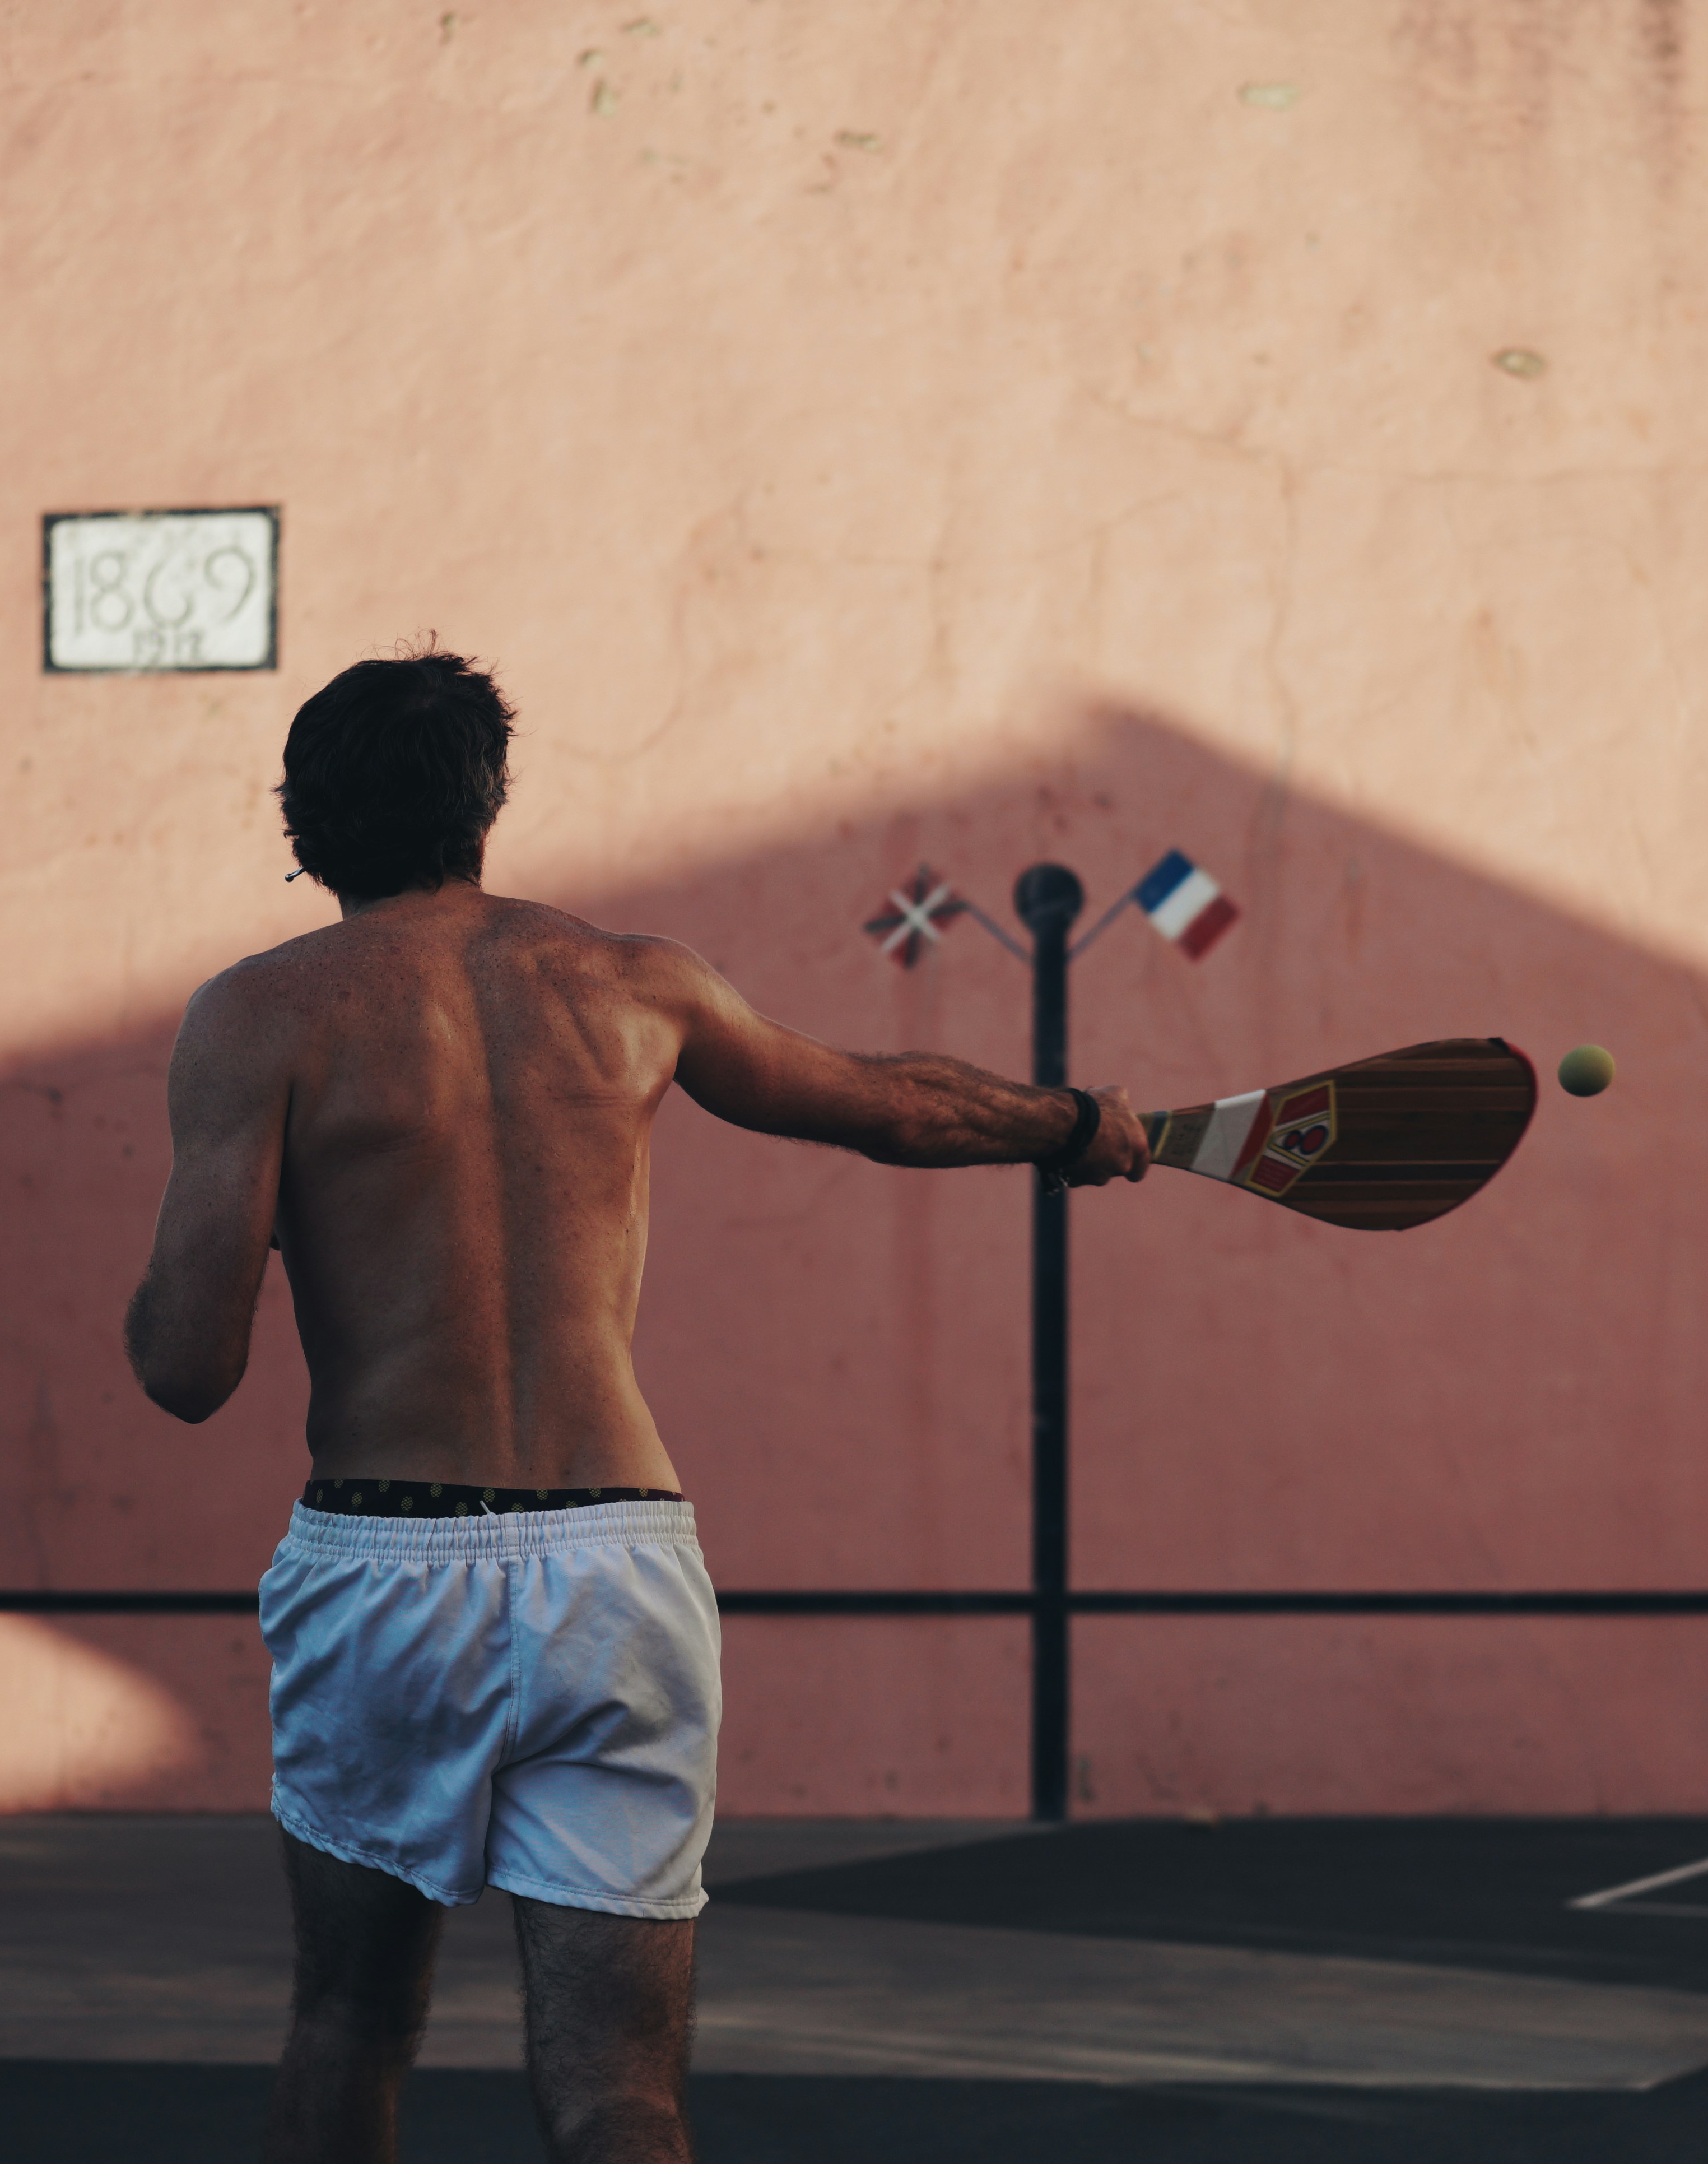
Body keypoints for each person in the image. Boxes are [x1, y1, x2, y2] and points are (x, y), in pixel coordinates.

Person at [122, 648, 1146, 2164]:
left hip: (388, 1563)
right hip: (618, 1562)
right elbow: (889, 1102)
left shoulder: (263, 1015)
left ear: (304, 821)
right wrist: (1071, 1122)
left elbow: (185, 1371)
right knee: (622, 2092)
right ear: (488, 807)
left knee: (352, 2023)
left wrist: (234, 1231)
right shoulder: (636, 984)